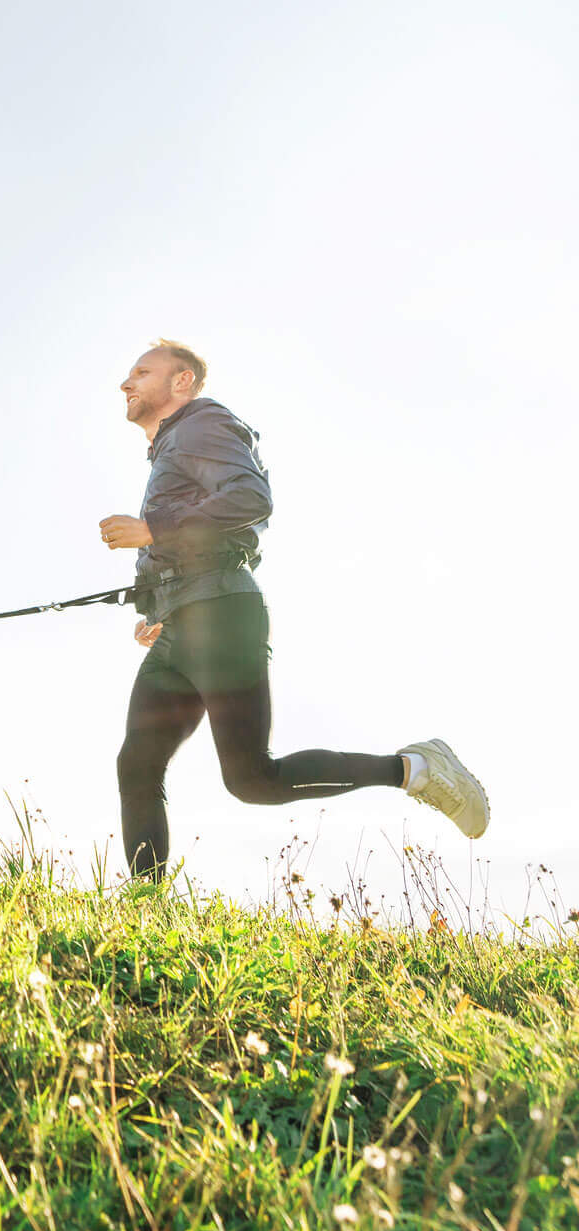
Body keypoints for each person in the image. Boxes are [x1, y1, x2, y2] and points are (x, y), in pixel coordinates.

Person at [98, 341, 487, 880]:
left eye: (143, 371)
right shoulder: (172, 446)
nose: (127, 382)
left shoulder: (201, 425)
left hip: (222, 616)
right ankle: (145, 913)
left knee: (253, 779)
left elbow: (250, 499)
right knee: (137, 764)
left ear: (182, 382)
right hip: (182, 624)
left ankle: (417, 769)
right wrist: (154, 605)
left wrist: (154, 528)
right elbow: (199, 538)